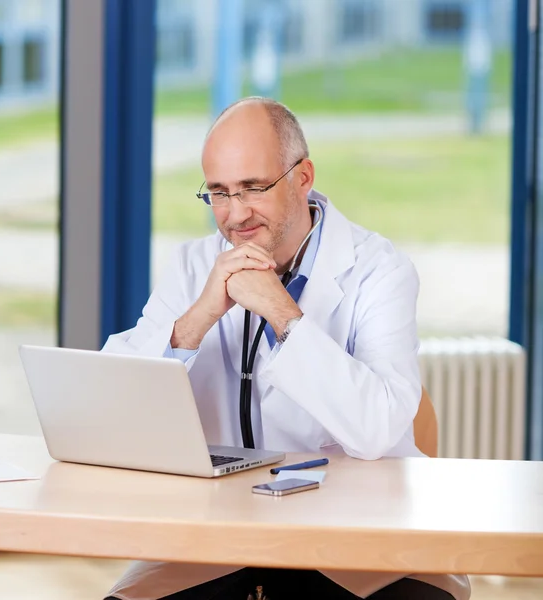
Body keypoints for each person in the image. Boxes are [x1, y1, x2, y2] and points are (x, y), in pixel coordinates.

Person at [102, 97, 470, 600]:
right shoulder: (192, 266)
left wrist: (284, 314)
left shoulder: (380, 270)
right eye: (219, 193)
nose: (235, 214)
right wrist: (196, 320)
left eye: (253, 188)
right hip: (218, 543)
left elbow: (378, 429)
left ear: (303, 177)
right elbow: (112, 402)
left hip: (361, 544)